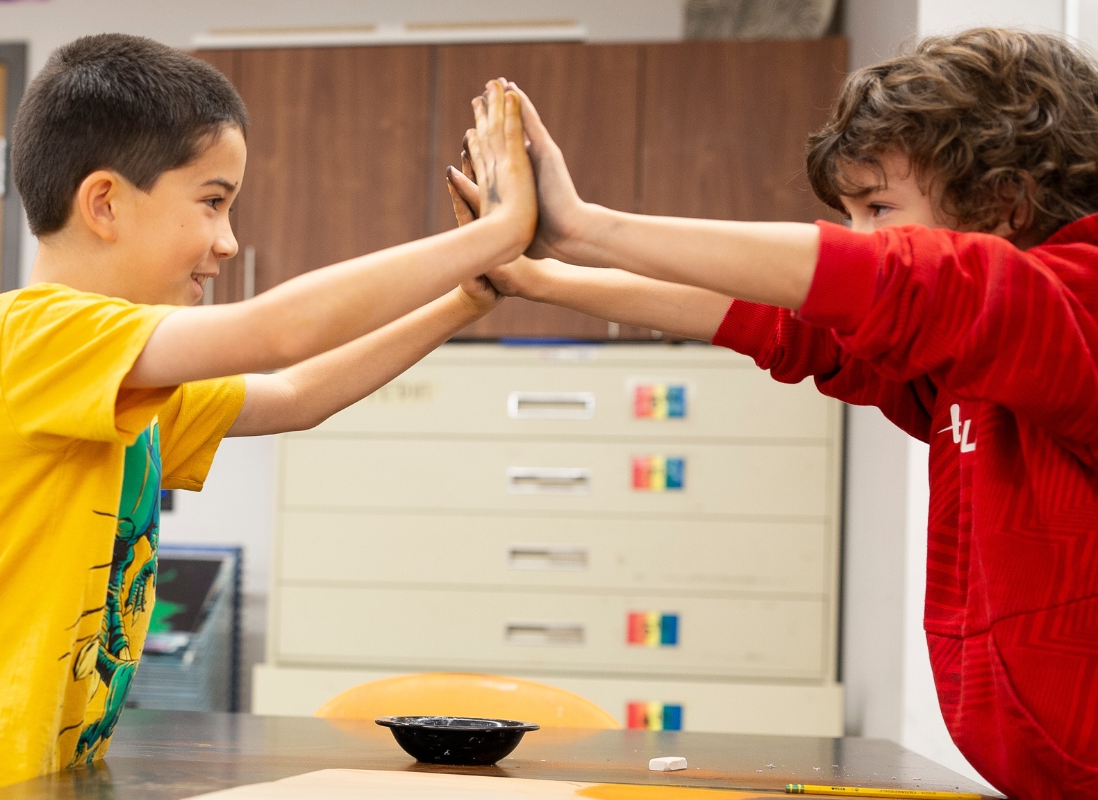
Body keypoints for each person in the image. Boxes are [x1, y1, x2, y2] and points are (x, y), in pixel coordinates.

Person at [0, 34, 535, 800]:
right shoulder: (25, 339)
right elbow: (281, 332)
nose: (228, 239)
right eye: (212, 201)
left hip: (43, 782)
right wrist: (493, 234)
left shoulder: (122, 376)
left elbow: (295, 395)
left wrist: (465, 301)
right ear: (105, 202)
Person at [449, 28, 1098, 797]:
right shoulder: (965, 362)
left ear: (1004, 202)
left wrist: (589, 226)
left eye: (879, 209)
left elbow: (916, 284)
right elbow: (787, 323)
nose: (861, 239)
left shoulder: (1074, 308)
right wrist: (544, 278)